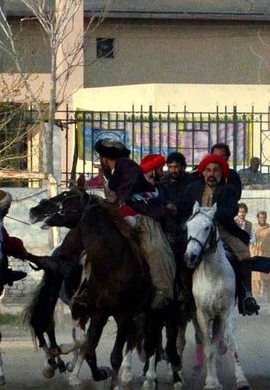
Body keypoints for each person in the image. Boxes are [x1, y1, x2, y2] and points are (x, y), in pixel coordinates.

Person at [94, 133, 176, 310]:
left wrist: (116, 198)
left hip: (144, 216)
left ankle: (164, 292)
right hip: (127, 215)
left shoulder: (125, 164)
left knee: (156, 249)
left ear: (104, 157)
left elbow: (125, 190)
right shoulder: (114, 174)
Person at [183, 153, 260, 315]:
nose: (211, 174)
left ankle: (246, 295)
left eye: (216, 171)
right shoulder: (192, 189)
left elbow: (231, 211)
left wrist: (210, 215)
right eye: (208, 170)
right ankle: (182, 295)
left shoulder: (229, 190)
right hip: (197, 231)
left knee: (244, 254)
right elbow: (185, 210)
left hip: (222, 229)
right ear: (202, 172)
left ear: (221, 173)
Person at [250, 210, 270, 300]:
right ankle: (255, 298)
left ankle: (268, 296)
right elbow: (250, 241)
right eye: (260, 217)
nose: (262, 219)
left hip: (267, 255)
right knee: (255, 279)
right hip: (256, 255)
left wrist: (266, 249)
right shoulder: (253, 228)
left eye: (264, 217)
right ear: (257, 218)